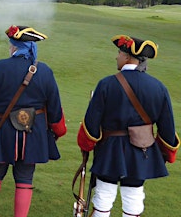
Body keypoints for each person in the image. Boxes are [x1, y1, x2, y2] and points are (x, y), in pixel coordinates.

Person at [0, 25, 67, 217]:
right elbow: (55, 109)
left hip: (1, 131)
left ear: (14, 46)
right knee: (25, 179)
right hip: (33, 133)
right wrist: (58, 130)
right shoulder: (44, 71)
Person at [77, 35, 179, 217]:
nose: (116, 57)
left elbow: (91, 125)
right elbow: (167, 129)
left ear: (127, 57)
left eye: (119, 53)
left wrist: (87, 145)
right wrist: (167, 153)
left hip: (110, 149)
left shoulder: (106, 84)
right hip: (142, 150)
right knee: (134, 196)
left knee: (104, 195)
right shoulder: (159, 87)